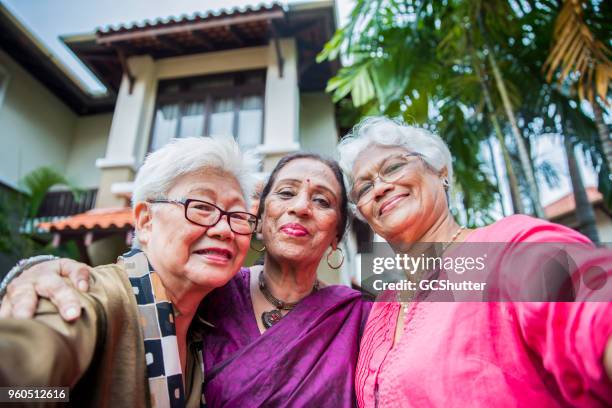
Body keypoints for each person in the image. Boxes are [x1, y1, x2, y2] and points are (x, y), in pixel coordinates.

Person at [1, 153, 371, 407]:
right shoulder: (213, 291)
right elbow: (26, 380)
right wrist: (36, 268)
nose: (301, 206)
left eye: (322, 201)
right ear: (259, 218)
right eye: (286, 193)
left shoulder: (359, 317)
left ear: (337, 233)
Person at [336, 116, 612, 407]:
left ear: (440, 170)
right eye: (364, 188)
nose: (380, 188)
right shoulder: (382, 309)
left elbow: (588, 303)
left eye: (393, 167)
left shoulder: (508, 247)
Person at [0, 135, 259, 407]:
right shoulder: (92, 296)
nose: (224, 229)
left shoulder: (207, 325)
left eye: (239, 216)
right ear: (146, 222)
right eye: (202, 207)